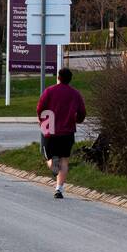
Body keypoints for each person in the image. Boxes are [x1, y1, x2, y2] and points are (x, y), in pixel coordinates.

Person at [36, 67, 87, 199]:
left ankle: (54, 168)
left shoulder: (49, 91)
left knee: (49, 158)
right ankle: (59, 189)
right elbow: (82, 112)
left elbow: (40, 108)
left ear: (58, 77)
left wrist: (41, 120)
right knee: (64, 161)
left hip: (51, 131)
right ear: (70, 79)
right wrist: (77, 120)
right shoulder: (75, 94)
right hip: (68, 131)